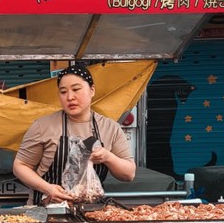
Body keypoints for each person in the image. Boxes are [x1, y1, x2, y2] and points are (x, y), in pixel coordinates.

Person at [13, 63, 136, 205]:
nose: (70, 97)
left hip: (90, 213)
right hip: (46, 211)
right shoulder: (42, 126)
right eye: (63, 92)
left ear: (92, 90)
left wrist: (107, 157)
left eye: (76, 89)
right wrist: (48, 188)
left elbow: (129, 174)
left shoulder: (110, 128)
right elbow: (20, 166)